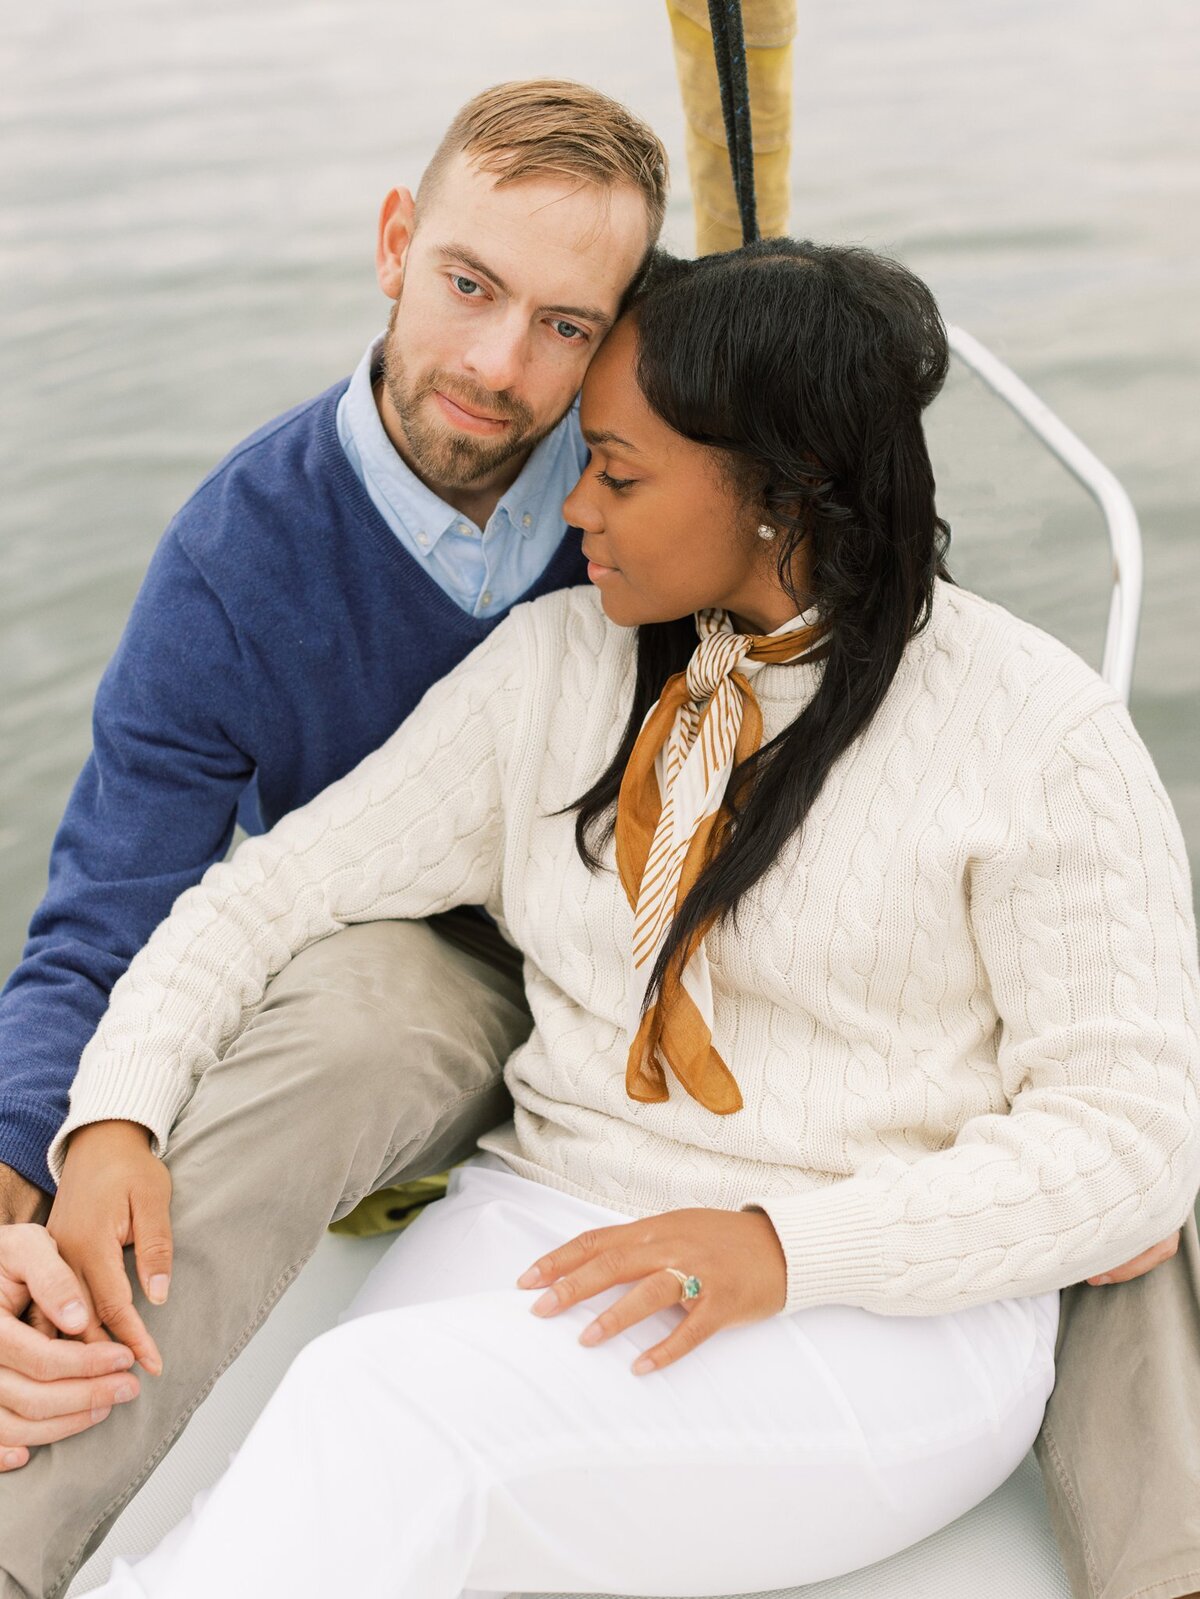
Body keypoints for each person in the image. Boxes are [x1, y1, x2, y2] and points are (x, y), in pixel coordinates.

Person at [43, 240, 1200, 1597]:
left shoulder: (1035, 728)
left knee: (386, 1417)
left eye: (621, 471)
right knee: (325, 1451)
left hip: (882, 1314)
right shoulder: (555, 667)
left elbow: (1126, 1141)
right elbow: (273, 891)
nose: (574, 505)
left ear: (780, 496)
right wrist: (114, 1111)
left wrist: (779, 1249)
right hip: (547, 1213)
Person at [0, 78, 668, 1598]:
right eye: (470, 285)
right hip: (422, 990)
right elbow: (105, 918)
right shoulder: (238, 558)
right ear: (394, 245)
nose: (501, 367)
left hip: (668, 991)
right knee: (357, 1019)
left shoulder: (670, 495)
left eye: (567, 325)